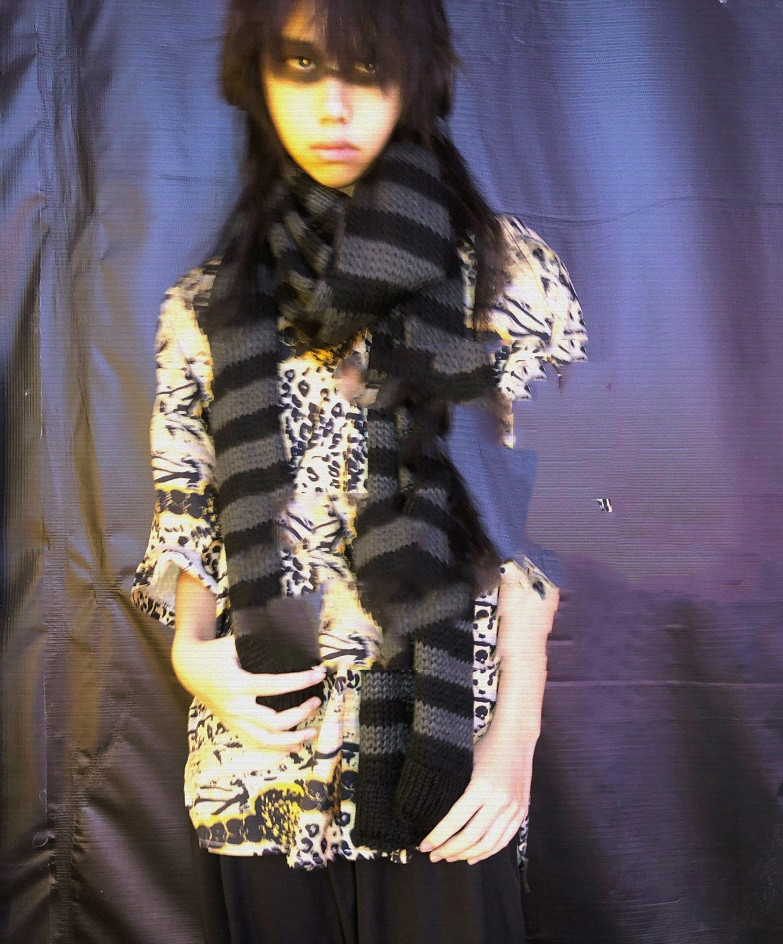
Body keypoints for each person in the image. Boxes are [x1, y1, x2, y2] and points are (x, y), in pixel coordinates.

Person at [131, 0, 587, 941]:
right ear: (257, 80)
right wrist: (192, 657)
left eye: (367, 68)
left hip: (446, 756)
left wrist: (515, 733)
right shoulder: (204, 307)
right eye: (301, 66)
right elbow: (187, 513)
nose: (332, 105)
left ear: (416, 80)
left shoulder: (508, 279)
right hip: (259, 759)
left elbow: (543, 530)